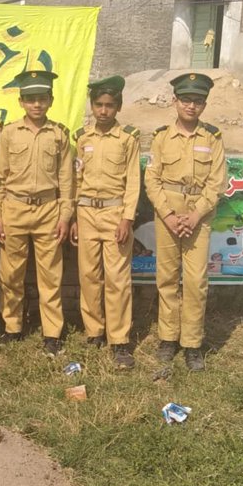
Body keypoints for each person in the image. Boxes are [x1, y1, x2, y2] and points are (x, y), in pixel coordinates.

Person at [144, 73, 227, 371]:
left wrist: (194, 215)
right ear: (175, 101)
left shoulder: (212, 138)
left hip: (198, 215)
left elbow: (217, 183)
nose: (192, 106)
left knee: (194, 281)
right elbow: (151, 179)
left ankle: (192, 343)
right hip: (167, 209)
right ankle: (167, 339)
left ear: (204, 104)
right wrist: (168, 214)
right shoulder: (161, 137)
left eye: (198, 101)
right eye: (186, 100)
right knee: (166, 277)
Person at [0, 70, 75, 355]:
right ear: (21, 101)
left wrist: (65, 216)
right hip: (14, 208)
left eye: (41, 98)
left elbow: (67, 180)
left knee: (50, 276)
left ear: (51, 100)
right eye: (30, 99)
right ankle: (12, 327)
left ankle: (52, 333)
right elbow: (1, 178)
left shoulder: (59, 135)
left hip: (48, 210)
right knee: (11, 274)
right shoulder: (8, 133)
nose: (36, 105)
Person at [70, 75, 141, 370]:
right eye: (98, 105)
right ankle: (94, 331)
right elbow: (76, 179)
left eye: (109, 105)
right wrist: (74, 216)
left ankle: (119, 339)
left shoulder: (127, 139)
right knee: (88, 276)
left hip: (114, 214)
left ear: (118, 106)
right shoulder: (82, 139)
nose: (103, 111)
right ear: (92, 105)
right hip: (86, 213)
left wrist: (127, 218)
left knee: (117, 279)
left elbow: (134, 181)